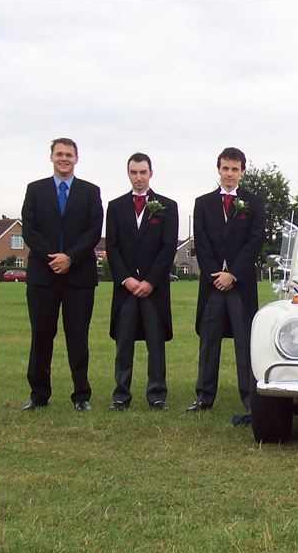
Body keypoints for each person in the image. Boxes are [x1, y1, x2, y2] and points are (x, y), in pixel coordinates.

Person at [21, 138, 103, 411]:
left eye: (69, 154)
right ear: (51, 157)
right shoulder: (35, 190)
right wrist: (53, 258)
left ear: (76, 158)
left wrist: (70, 257)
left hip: (78, 277)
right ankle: (38, 396)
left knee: (78, 337)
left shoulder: (90, 192)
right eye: (59, 154)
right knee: (41, 336)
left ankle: (81, 396)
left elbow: (93, 231)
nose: (64, 158)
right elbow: (29, 229)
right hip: (42, 277)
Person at [186, 147, 266, 412]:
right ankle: (204, 396)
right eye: (225, 168)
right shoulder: (203, 203)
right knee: (209, 341)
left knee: (244, 341)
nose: (229, 174)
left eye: (234, 169)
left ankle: (249, 397)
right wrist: (216, 275)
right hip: (212, 286)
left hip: (240, 285)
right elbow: (201, 242)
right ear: (218, 170)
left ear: (242, 171)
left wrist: (233, 274)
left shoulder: (254, 203)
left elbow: (255, 241)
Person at [106, 153, 178, 411]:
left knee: (155, 345)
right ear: (128, 174)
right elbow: (112, 247)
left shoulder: (167, 206)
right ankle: (121, 395)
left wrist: (150, 281)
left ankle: (157, 395)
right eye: (134, 172)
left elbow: (168, 248)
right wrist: (126, 279)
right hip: (126, 290)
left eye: (143, 172)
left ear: (151, 173)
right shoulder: (115, 207)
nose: (138, 177)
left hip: (153, 291)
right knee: (124, 344)